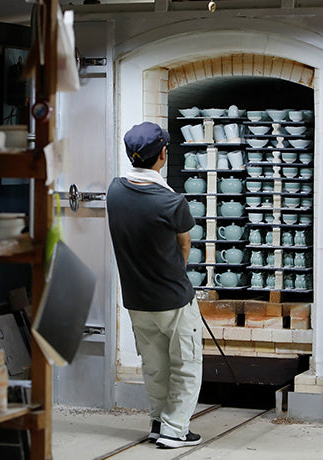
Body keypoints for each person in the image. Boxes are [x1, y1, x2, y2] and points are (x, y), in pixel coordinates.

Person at [106, 122, 203, 449]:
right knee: (186, 366)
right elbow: (185, 245)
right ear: (163, 154)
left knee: (155, 366)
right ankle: (175, 431)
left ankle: (159, 422)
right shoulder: (172, 202)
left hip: (137, 301)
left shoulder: (114, 192)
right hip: (174, 300)